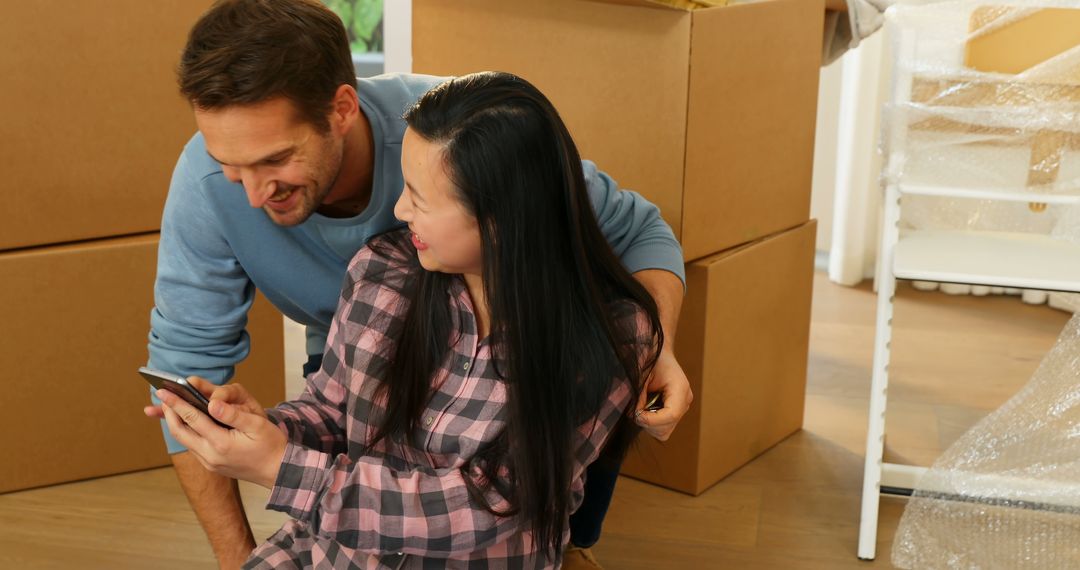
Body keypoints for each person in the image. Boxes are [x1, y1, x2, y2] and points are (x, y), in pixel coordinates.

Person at [144, 1, 692, 568]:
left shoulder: (459, 135)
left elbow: (489, 504)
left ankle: (570, 543)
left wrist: (656, 349)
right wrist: (257, 433)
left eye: (275, 159)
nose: (252, 196)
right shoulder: (382, 267)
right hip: (366, 390)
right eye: (233, 168)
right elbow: (325, 404)